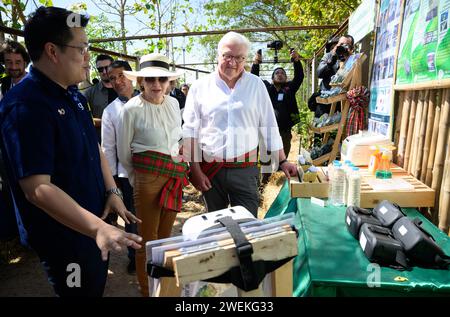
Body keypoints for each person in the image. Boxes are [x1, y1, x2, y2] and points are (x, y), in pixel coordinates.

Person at [0, 6, 142, 297]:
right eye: (82, 48)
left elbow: (95, 146)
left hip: (93, 224)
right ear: (53, 51)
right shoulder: (25, 106)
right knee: (80, 293)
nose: (87, 56)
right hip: (65, 237)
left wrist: (112, 192)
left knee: (94, 287)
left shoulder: (73, 95)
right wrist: (96, 229)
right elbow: (37, 189)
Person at [182, 32, 297, 217]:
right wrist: (194, 169)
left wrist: (282, 160)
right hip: (211, 170)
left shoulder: (256, 85)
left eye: (239, 58)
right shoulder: (200, 87)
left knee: (247, 223)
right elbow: (190, 130)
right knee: (213, 224)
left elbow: (268, 125)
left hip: (245, 169)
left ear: (246, 59)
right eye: (227, 56)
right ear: (218, 55)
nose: (233, 62)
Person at [117, 53, 187, 297]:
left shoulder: (174, 104)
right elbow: (124, 152)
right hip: (146, 178)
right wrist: (139, 180)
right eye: (150, 80)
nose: (157, 85)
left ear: (169, 82)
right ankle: (148, 291)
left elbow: (177, 139)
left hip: (172, 175)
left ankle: (164, 288)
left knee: (165, 239)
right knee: (147, 241)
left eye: (162, 79)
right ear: (140, 83)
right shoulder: (130, 109)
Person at [101, 60, 140, 274]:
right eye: (112, 78)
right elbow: (108, 148)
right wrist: (113, 181)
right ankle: (135, 256)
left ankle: (156, 253)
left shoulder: (150, 100)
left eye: (121, 75)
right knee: (132, 217)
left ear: (132, 76)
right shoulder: (110, 111)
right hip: (127, 175)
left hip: (153, 171)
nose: (117, 81)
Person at [251, 48, 304, 158]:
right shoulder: (267, 87)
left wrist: (296, 61)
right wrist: (256, 63)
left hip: (284, 130)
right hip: (267, 130)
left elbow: (299, 77)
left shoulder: (289, 88)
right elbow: (254, 79)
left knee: (283, 157)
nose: (280, 74)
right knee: (267, 159)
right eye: (277, 73)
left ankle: (282, 173)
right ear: (272, 78)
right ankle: (267, 174)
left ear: (286, 77)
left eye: (282, 73)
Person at [83, 54, 117, 141]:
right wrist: (106, 122)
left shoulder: (124, 90)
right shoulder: (90, 93)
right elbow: (83, 117)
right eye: (101, 69)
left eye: (107, 67)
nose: (104, 72)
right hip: (101, 143)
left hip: (125, 143)